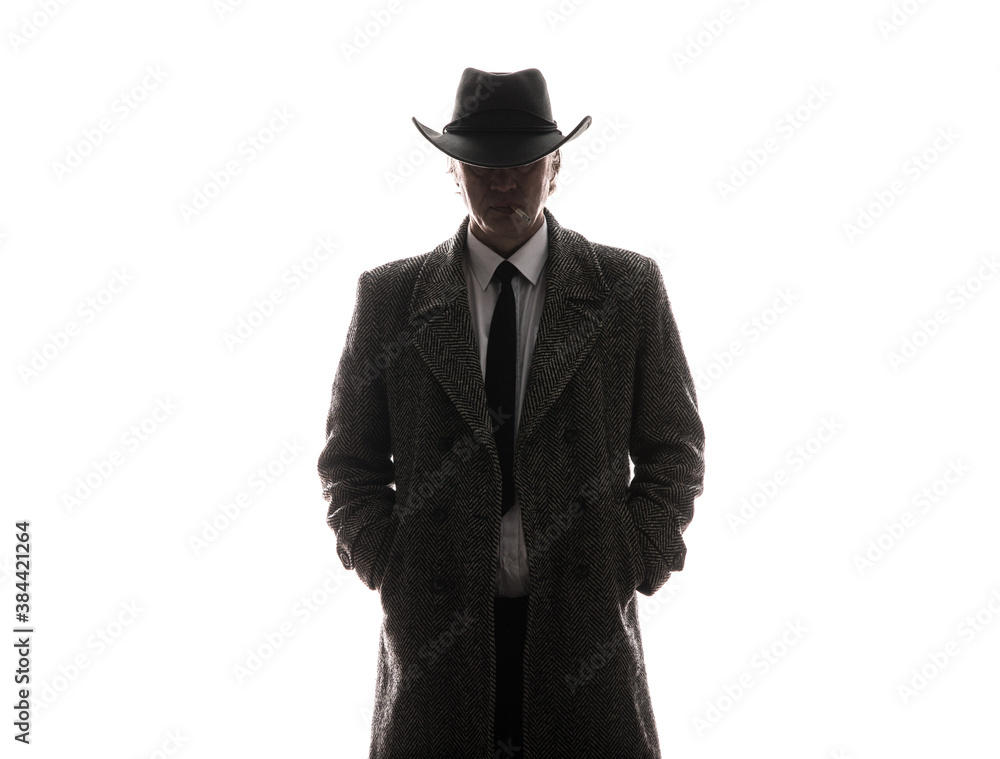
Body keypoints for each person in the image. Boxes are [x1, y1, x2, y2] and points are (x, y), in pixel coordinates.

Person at [318, 67, 705, 758]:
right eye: (482, 166)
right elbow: (348, 465)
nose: (501, 183)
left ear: (554, 166)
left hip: (585, 631)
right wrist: (393, 565)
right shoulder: (389, 298)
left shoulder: (626, 288)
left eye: (522, 164)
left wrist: (632, 557)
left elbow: (674, 450)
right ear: (452, 172)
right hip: (435, 637)